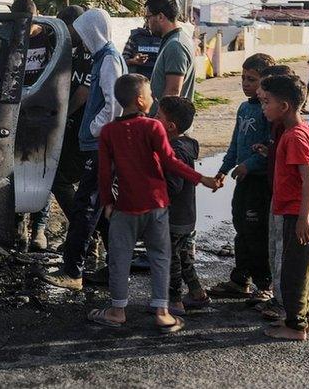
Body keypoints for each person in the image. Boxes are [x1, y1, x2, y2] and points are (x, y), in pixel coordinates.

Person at [87, 74, 220, 332]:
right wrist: (201, 178)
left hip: (125, 206)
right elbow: (170, 161)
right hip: (157, 205)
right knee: (160, 256)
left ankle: (117, 311)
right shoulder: (153, 127)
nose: (154, 99)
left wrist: (108, 201)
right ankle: (162, 312)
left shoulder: (109, 132)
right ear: (140, 101)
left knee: (119, 258)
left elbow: (105, 172)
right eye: (150, 95)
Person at [41, 8, 126, 289]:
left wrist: (93, 127)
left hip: (99, 143)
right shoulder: (103, 58)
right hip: (98, 143)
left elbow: (114, 105)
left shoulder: (108, 61)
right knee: (97, 206)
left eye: (80, 31)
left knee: (85, 208)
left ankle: (73, 271)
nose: (77, 36)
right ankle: (116, 267)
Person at [259, 74, 309, 341]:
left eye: (267, 102)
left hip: (302, 212)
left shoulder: (295, 137)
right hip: (302, 210)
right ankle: (302, 319)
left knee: (293, 273)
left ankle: (296, 326)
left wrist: (303, 218)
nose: (263, 107)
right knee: (298, 269)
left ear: (284, 106)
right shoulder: (300, 130)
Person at [207, 53, 275, 303]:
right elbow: (235, 143)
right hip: (243, 181)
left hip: (260, 182)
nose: (246, 84)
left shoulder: (270, 110)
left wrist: (249, 164)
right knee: (241, 228)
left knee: (257, 232)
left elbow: (271, 148)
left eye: (252, 79)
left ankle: (264, 283)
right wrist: (224, 169)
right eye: (243, 78)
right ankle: (240, 280)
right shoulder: (244, 107)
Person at [28, 5, 86, 252]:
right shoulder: (60, 43)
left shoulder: (88, 51)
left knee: (57, 178)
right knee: (43, 172)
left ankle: (85, 235)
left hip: (73, 124)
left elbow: (84, 92)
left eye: (67, 27)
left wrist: (62, 116)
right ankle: (82, 236)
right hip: (53, 118)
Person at [156, 96, 210, 315]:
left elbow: (173, 185)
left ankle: (175, 301)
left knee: (171, 258)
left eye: (157, 116)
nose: (153, 118)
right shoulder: (188, 143)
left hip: (174, 215)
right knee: (184, 255)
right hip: (187, 214)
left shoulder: (175, 151)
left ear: (170, 126)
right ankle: (197, 293)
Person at [251, 64, 297, 322]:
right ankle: (279, 298)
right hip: (278, 196)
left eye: (267, 99)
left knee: (283, 252)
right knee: (275, 249)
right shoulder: (278, 127)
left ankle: (284, 304)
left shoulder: (293, 131)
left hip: (287, 201)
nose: (262, 101)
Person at [10, 0, 48, 250]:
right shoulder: (12, 38)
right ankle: (18, 224)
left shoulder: (49, 40)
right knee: (15, 169)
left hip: (43, 113)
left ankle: (39, 228)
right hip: (15, 112)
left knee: (40, 170)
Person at [143, 0, 195, 116]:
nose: (147, 23)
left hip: (169, 127)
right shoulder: (173, 40)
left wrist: (157, 122)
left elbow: (173, 91)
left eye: (148, 17)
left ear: (160, 17)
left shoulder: (175, 45)